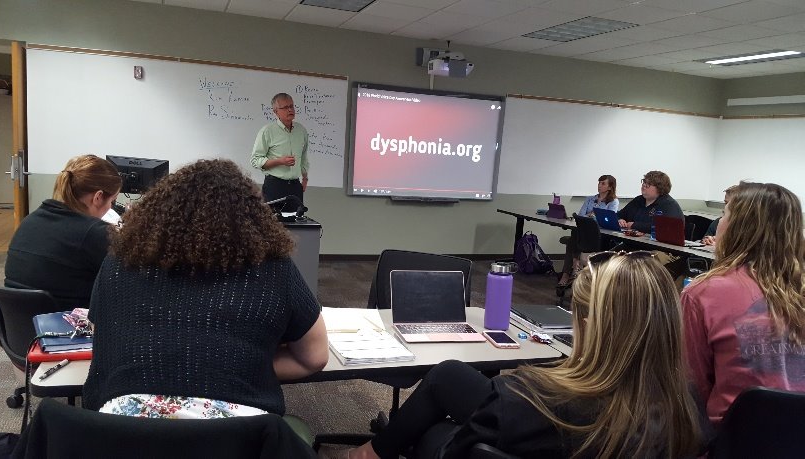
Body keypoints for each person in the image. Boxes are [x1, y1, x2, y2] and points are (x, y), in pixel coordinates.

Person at [344, 252, 703, 459]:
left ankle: (371, 453)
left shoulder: (527, 396)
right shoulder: (690, 411)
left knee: (435, 427)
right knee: (448, 374)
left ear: (591, 324)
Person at [83, 159, 328, 419]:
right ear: (252, 217)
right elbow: (313, 357)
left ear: (159, 209)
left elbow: (104, 344)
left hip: (119, 437)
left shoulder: (119, 263)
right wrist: (238, 366)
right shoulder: (274, 268)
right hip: (240, 440)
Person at [682, 182, 805, 425]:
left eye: (724, 213)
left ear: (738, 226)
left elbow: (691, 388)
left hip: (731, 438)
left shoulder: (702, 294)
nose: (719, 222)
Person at [4, 154, 122, 309]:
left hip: (18, 328)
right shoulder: (94, 233)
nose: (111, 208)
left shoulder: (30, 220)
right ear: (98, 197)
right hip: (65, 327)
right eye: (112, 201)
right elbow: (129, 278)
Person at [251, 92, 309, 212]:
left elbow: (303, 156)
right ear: (276, 112)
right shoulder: (267, 131)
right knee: (272, 226)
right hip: (274, 186)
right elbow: (255, 160)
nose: (290, 110)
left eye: (291, 106)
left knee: (296, 226)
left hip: (295, 186)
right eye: (285, 107)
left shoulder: (301, 130)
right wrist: (279, 161)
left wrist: (305, 178)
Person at [558, 174, 619, 286]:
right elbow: (581, 215)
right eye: (599, 183)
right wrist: (593, 216)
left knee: (573, 240)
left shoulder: (613, 202)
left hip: (599, 235)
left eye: (603, 183)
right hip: (584, 231)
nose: (599, 185)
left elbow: (608, 219)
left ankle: (571, 270)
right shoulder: (590, 199)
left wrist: (591, 215)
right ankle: (570, 271)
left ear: (610, 187)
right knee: (575, 234)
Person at [617, 170, 683, 233]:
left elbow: (666, 227)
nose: (644, 185)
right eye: (644, 182)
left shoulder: (669, 205)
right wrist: (620, 220)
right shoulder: (638, 200)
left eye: (649, 184)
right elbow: (619, 215)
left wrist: (634, 225)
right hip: (632, 240)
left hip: (656, 243)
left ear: (659, 188)